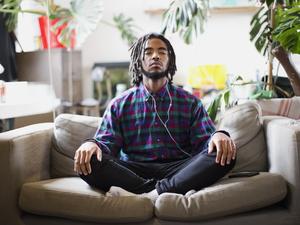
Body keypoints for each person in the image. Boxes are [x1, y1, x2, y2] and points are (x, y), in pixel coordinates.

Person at [74, 33, 236, 203]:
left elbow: (206, 143)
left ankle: (148, 195)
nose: (156, 56)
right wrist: (91, 143)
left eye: (162, 52)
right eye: (149, 52)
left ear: (169, 60)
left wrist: (219, 135)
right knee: (90, 162)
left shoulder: (190, 102)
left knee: (224, 154)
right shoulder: (119, 104)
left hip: (180, 169)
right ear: (139, 60)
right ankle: (160, 191)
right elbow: (106, 144)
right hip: (133, 171)